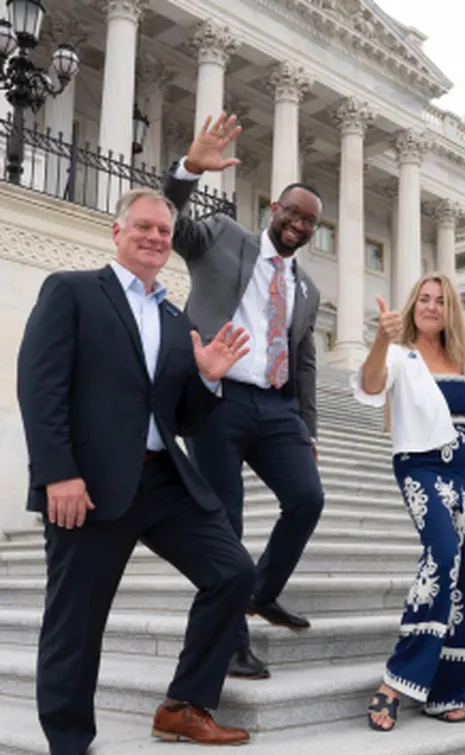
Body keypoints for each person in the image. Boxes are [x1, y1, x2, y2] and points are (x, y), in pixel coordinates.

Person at [16, 188, 257, 755]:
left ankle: (184, 705)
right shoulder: (73, 291)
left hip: (162, 482)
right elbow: (39, 385)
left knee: (233, 572)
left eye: (163, 230)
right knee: (75, 627)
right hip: (89, 487)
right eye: (143, 226)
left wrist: (207, 377)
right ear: (117, 232)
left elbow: (182, 417)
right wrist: (57, 473)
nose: (154, 237)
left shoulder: (176, 319)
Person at [162, 113, 325, 680]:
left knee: (307, 499)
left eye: (309, 221)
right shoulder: (224, 236)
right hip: (218, 398)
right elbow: (171, 225)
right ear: (274, 210)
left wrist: (308, 430)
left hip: (277, 408)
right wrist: (188, 170)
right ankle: (230, 643)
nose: (298, 225)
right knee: (224, 522)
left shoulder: (307, 288)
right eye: (292, 213)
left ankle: (261, 591)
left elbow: (305, 361)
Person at [353, 274, 465, 731]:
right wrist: (380, 341)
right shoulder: (399, 354)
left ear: (450, 311)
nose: (431, 306)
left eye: (440, 301)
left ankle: (447, 689)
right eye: (423, 299)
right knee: (442, 555)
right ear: (412, 306)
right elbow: (370, 386)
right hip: (422, 466)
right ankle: (397, 680)